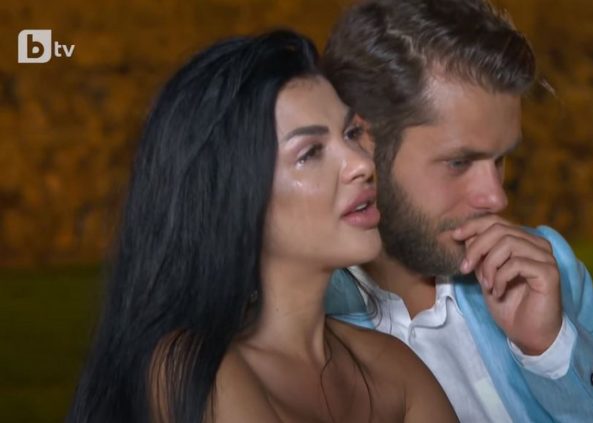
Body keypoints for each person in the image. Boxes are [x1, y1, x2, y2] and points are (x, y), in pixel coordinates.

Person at [321, 0, 593, 421]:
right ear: (360, 141)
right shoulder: (301, 318)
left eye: (499, 160)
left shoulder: (545, 269)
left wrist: (552, 350)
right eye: (459, 162)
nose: (496, 199)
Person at [68, 30, 457, 423]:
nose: (362, 163)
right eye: (310, 152)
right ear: (235, 195)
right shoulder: (191, 368)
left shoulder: (394, 368)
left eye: (352, 133)